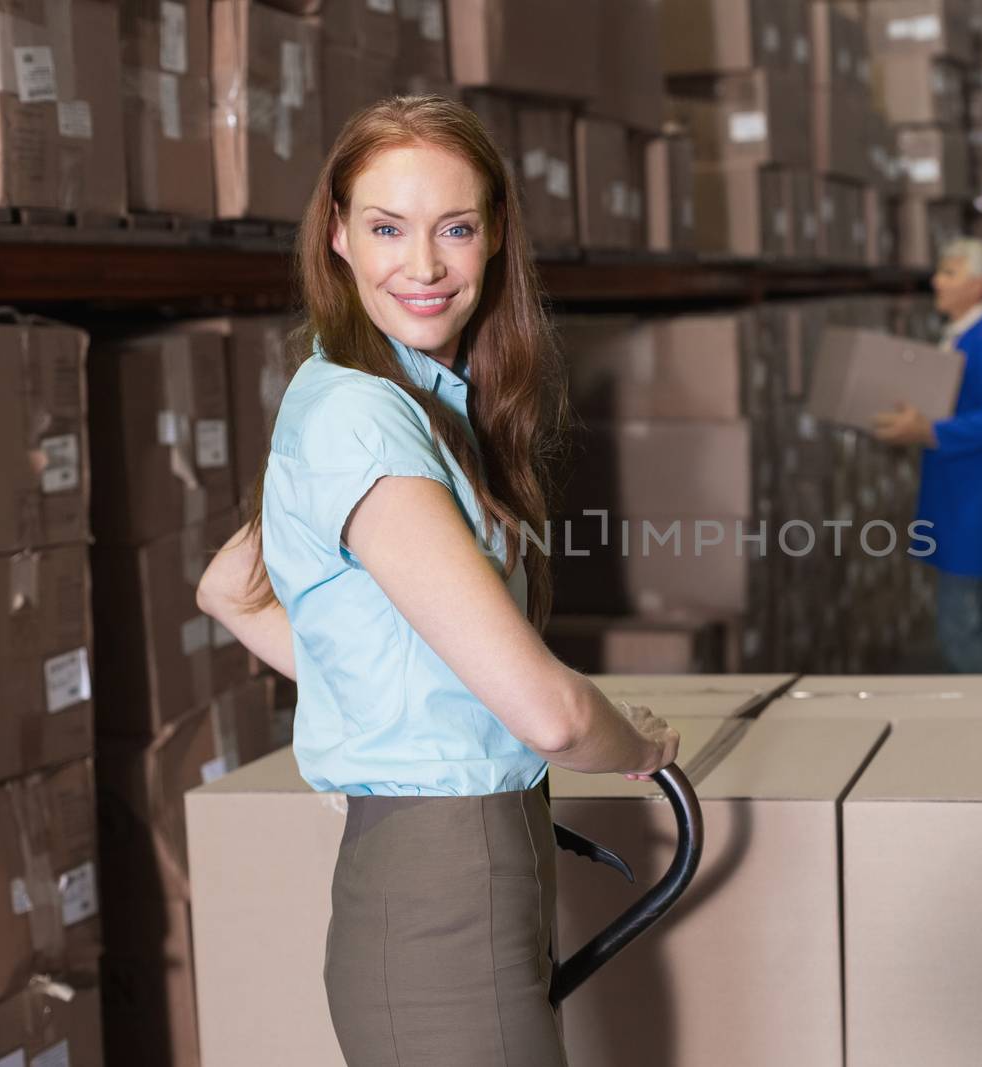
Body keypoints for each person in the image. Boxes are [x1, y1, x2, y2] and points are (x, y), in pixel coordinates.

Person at [194, 96, 680, 1067]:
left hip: (454, 866)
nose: (422, 266)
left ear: (495, 235)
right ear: (335, 234)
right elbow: (549, 715)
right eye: (385, 227)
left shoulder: (378, 395)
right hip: (442, 884)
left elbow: (230, 583)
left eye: (454, 228)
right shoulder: (363, 421)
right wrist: (638, 744)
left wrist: (390, 704)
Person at [873, 237, 982, 674]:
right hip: (957, 493)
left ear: (977, 286)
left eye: (949, 273)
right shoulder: (963, 335)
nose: (936, 281)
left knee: (959, 624)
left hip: (973, 501)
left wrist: (929, 430)